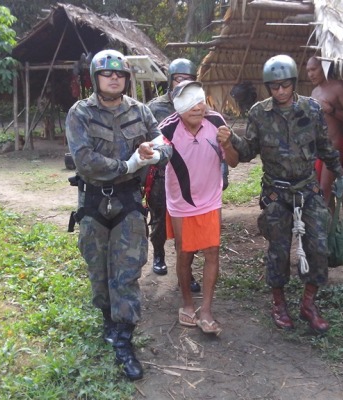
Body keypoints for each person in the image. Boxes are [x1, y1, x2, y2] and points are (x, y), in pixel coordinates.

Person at [65, 49, 172, 381]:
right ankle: (108, 321)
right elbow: (84, 160)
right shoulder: (80, 113)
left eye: (120, 74)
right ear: (95, 78)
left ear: (127, 79)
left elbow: (164, 144)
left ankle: (124, 341)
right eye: (107, 74)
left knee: (125, 274)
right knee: (99, 273)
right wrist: (127, 165)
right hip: (93, 203)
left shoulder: (140, 111)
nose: (114, 78)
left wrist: (152, 153)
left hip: (127, 203)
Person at [226, 54, 343, 333]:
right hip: (276, 193)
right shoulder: (258, 113)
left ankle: (308, 304)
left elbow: (325, 146)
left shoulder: (312, 110)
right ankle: (279, 304)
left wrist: (338, 174)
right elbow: (247, 152)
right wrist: (230, 138)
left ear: (293, 83)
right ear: (268, 87)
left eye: (285, 85)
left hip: (307, 188)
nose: (280, 91)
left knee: (318, 246)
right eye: (274, 86)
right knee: (278, 251)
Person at [159, 80, 237, 335]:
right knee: (184, 253)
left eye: (200, 99)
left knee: (212, 252)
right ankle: (187, 304)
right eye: (190, 102)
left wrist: (227, 144)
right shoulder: (167, 129)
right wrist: (149, 152)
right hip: (181, 203)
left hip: (210, 200)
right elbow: (156, 154)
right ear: (178, 106)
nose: (197, 106)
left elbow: (234, 162)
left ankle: (206, 310)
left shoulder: (216, 122)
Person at [145, 58, 201, 293]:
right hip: (160, 174)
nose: (182, 84)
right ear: (170, 81)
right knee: (158, 219)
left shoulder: (199, 105)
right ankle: (158, 255)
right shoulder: (154, 107)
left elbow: (213, 138)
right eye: (178, 79)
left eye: (188, 80)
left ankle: (185, 272)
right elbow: (144, 139)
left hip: (189, 176)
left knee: (188, 225)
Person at [306, 56, 343, 205]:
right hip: (318, 149)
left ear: (324, 67)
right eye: (308, 71)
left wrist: (332, 110)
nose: (310, 74)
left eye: (313, 69)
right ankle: (329, 227)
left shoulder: (338, 87)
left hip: (334, 146)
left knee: (323, 190)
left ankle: (322, 226)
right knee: (316, 188)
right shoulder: (314, 92)